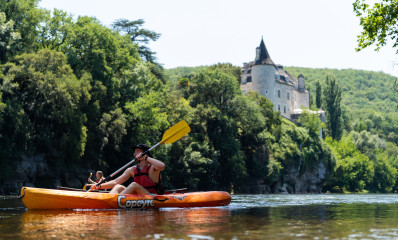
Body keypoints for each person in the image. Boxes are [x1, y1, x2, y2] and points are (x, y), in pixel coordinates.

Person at [89, 144, 165, 195]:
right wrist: (99, 186)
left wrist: (145, 157)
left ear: (145, 153)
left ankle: (115, 202)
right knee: (118, 187)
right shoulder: (132, 170)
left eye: (137, 151)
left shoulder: (153, 167)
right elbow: (115, 182)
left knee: (134, 185)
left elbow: (162, 166)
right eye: (134, 152)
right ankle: (108, 200)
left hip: (151, 196)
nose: (135, 154)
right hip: (138, 197)